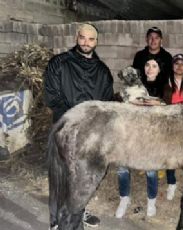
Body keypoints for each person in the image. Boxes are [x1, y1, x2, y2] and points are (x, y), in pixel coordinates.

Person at [44, 23, 113, 229]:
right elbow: (52, 96)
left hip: (90, 134)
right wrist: (74, 119)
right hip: (64, 128)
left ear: (96, 42)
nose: (86, 42)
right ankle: (56, 219)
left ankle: (78, 211)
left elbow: (106, 102)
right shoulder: (59, 63)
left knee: (84, 177)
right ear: (77, 37)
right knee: (61, 174)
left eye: (91, 39)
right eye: (83, 38)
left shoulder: (102, 71)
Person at [115, 57, 170, 218]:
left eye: (154, 65)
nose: (150, 68)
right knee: (122, 167)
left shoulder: (164, 86)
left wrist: (148, 103)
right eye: (147, 64)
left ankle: (151, 202)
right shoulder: (127, 89)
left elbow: (165, 106)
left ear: (159, 69)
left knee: (151, 170)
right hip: (128, 132)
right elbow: (122, 103)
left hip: (150, 134)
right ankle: (124, 199)